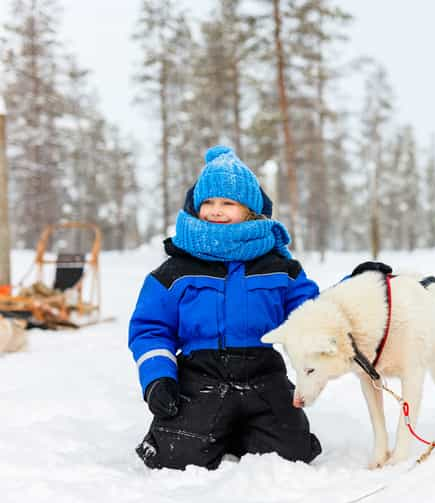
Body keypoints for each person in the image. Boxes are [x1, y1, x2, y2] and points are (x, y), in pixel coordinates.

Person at [129, 145, 321, 470]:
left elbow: (312, 313)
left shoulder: (279, 267)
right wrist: (158, 378)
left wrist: (351, 292)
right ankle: (216, 428)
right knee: (175, 458)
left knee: (293, 455)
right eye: (208, 202)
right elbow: (151, 330)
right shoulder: (174, 271)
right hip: (200, 376)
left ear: (250, 210)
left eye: (228, 203)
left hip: (263, 374)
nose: (216, 210)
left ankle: (240, 429)